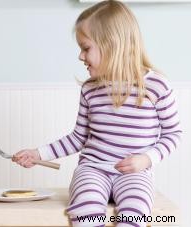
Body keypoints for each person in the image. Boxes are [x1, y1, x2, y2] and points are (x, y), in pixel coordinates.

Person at [12, 1, 182, 226]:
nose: (80, 56)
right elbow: (78, 138)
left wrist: (147, 159)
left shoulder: (156, 86)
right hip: (92, 170)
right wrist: (38, 154)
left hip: (135, 174)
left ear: (112, 45)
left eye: (86, 48)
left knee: (135, 212)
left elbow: (173, 133)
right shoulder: (90, 89)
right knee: (85, 209)